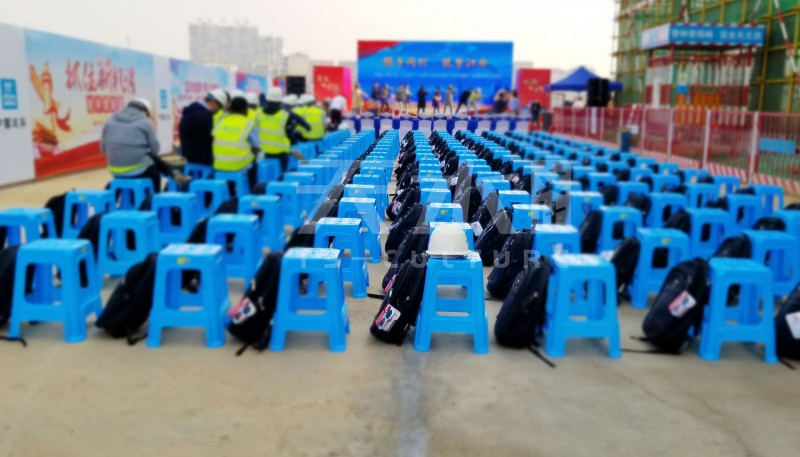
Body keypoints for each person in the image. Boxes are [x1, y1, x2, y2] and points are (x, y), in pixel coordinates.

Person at [102, 99, 190, 192]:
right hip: (138, 169)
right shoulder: (145, 122)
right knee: (154, 168)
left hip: (114, 169)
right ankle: (155, 195)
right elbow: (155, 149)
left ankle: (172, 173)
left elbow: (103, 149)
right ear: (144, 110)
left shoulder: (110, 121)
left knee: (149, 157)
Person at [212, 92, 260, 189]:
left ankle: (229, 191)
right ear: (245, 110)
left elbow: (214, 138)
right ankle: (251, 192)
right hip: (239, 166)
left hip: (219, 165)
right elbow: (256, 147)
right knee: (254, 164)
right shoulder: (248, 123)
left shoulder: (221, 121)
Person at [258, 87, 309, 173]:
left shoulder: (258, 114)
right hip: (281, 154)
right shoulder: (285, 115)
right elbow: (290, 136)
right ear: (280, 102)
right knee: (297, 159)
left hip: (264, 153)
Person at [178, 88, 228, 170]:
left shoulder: (190, 111)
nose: (217, 112)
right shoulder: (204, 116)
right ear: (214, 102)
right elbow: (209, 138)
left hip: (188, 156)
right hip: (201, 160)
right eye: (218, 108)